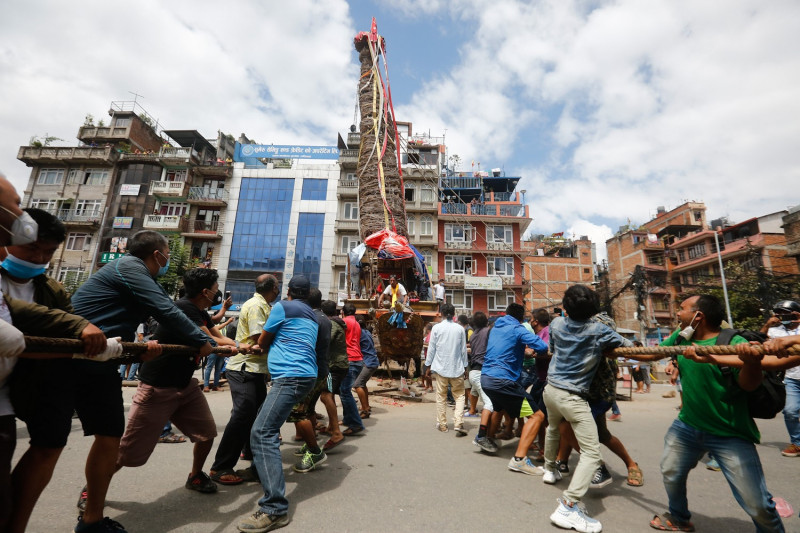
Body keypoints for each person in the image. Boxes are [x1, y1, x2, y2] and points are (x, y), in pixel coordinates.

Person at [71, 230, 214, 533]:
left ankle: (91, 522)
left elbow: (142, 316)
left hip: (103, 358)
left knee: (109, 438)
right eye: (167, 254)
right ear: (157, 254)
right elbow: (165, 310)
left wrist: (132, 356)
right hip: (75, 356)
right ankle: (91, 508)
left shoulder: (140, 276)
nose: (168, 259)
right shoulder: (129, 268)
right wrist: (202, 339)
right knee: (64, 443)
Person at [1, 208, 109, 533]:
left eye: (48, 251)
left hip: (32, 378)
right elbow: (20, 312)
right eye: (32, 247)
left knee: (50, 444)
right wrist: (78, 326)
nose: (39, 256)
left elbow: (69, 338)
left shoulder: (53, 289)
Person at [649, 294, 784, 532]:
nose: (677, 313)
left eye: (682, 309)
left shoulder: (734, 341)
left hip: (730, 432)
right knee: (670, 472)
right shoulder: (682, 337)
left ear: (698, 316)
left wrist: (751, 361)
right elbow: (650, 353)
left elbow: (749, 386)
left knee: (757, 504)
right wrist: (609, 349)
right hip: (687, 426)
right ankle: (679, 517)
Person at [116, 268, 240, 496]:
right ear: (205, 291)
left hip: (185, 384)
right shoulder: (183, 308)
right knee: (127, 451)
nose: (217, 293)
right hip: (158, 386)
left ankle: (195, 475)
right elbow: (213, 342)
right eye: (215, 289)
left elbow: (220, 339)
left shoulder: (200, 312)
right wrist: (229, 346)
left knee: (206, 434)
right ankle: (92, 489)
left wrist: (232, 345)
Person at [542, 285, 631, 533]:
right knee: (592, 454)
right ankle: (568, 506)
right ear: (594, 309)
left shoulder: (556, 324)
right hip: (573, 397)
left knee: (552, 428)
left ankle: (549, 470)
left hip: (551, 390)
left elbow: (554, 348)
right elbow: (630, 348)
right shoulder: (600, 330)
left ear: (566, 307)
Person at [236, 275, 319, 532]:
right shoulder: (311, 314)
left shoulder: (282, 307)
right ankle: (260, 471)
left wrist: (250, 347)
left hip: (290, 376)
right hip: (304, 375)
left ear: (288, 291)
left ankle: (274, 508)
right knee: (264, 420)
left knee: (262, 432)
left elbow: (263, 341)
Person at [210, 274, 278, 484]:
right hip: (244, 367)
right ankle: (221, 466)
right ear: (273, 288)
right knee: (243, 413)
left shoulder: (264, 305)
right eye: (277, 286)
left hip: (255, 369)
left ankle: (249, 452)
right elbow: (260, 339)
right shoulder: (257, 306)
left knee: (255, 414)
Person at [479, 302, 549, 477]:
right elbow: (542, 347)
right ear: (521, 319)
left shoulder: (495, 328)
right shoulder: (518, 329)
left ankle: (488, 439)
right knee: (537, 416)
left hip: (486, 379)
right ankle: (519, 459)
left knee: (502, 409)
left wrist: (522, 350)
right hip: (503, 381)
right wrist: (529, 350)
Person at [287, 288, 331, 474]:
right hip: (320, 369)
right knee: (309, 409)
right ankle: (309, 443)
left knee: (298, 412)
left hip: (310, 371)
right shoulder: (323, 318)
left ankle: (314, 451)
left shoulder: (312, 319)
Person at [763, 300, 800, 457]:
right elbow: (760, 342)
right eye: (779, 314)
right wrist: (767, 325)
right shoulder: (775, 332)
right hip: (791, 378)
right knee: (790, 411)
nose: (782, 316)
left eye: (786, 313)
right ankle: (797, 443)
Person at [425, 303, 468, 435]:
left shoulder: (436, 328)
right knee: (460, 396)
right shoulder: (460, 329)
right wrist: (465, 367)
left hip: (441, 368)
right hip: (457, 369)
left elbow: (431, 349)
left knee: (441, 397)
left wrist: (427, 365)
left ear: (441, 313)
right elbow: (463, 351)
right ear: (454, 314)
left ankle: (443, 425)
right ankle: (458, 422)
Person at [319, 300, 346, 450]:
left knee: (325, 396)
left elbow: (326, 341)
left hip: (335, 365)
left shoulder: (332, 325)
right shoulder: (337, 322)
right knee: (330, 395)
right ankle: (331, 426)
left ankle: (336, 432)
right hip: (338, 365)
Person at [340, 303, 365, 435]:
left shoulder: (344, 322)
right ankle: (347, 419)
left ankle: (355, 423)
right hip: (357, 359)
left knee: (345, 392)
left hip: (350, 358)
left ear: (343, 312)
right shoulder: (356, 323)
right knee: (345, 390)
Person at [466, 311, 490, 418]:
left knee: (474, 391)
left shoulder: (473, 335)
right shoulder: (488, 332)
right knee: (489, 403)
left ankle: (472, 411)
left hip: (474, 370)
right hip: (482, 371)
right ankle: (485, 430)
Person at [354, 318, 379, 419]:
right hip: (372, 361)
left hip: (368, 362)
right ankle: (366, 406)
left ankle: (365, 410)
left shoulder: (359, 333)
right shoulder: (367, 332)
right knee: (362, 384)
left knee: (357, 384)